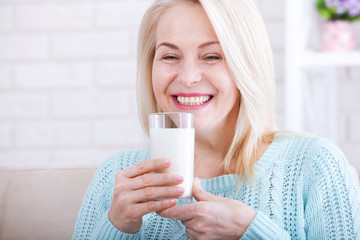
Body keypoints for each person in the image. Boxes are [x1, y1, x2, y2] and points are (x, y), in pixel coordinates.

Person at [72, 0, 360, 239]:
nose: (187, 78)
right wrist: (115, 228)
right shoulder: (117, 176)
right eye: (170, 57)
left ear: (246, 65)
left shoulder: (315, 165)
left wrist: (252, 232)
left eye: (211, 56)